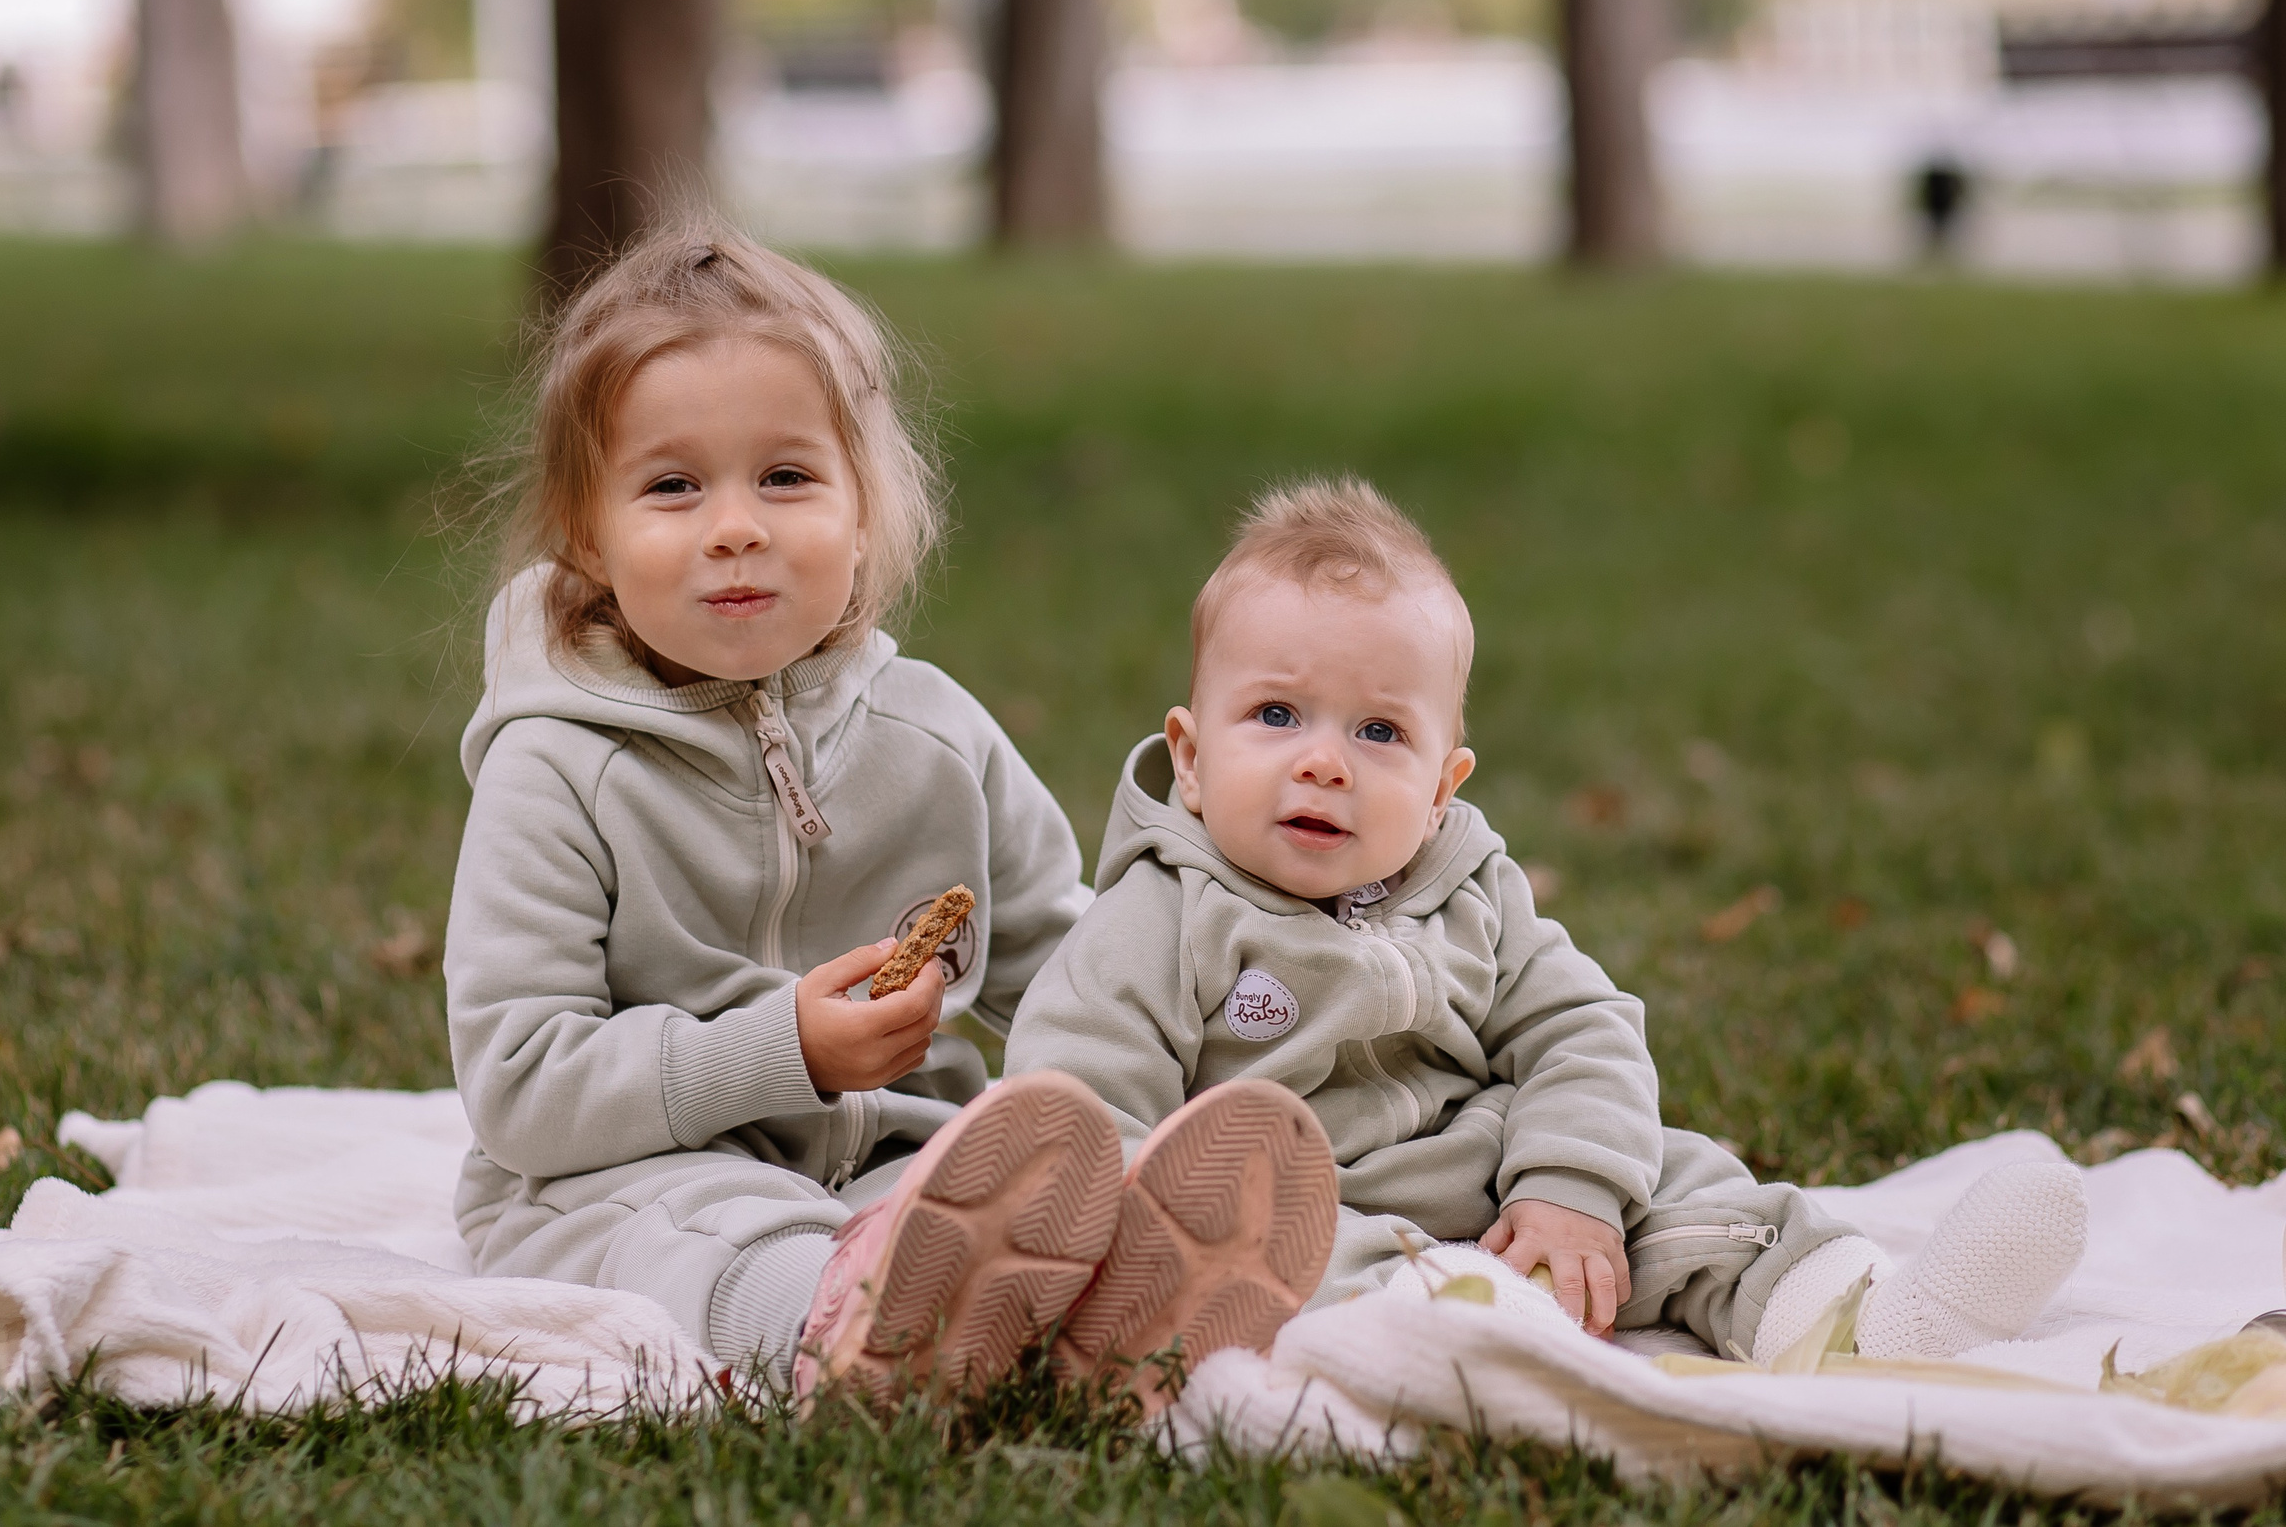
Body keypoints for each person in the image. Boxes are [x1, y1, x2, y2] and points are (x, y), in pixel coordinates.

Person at [442, 221, 1326, 1406]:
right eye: (672, 485)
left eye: (787, 476)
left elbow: (1072, 964)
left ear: (865, 510)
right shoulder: (554, 768)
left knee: (984, 1195)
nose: (736, 525)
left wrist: (1222, 1055)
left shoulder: (933, 735)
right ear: (585, 534)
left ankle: (1080, 1323)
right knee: (704, 1231)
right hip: (619, 1176)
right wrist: (780, 1051)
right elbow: (519, 1079)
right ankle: (839, 1332)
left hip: (901, 1164)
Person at [1005, 477, 2088, 1377]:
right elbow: (1080, 1106)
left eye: (1379, 730)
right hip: (1309, 1218)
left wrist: (1568, 1189)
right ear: (1189, 757)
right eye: (1276, 713)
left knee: (1678, 1178)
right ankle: (1442, 1329)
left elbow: (1585, 1028)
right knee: (1286, 1276)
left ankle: (1857, 1314)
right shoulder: (1158, 916)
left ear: (1441, 785)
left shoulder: (1471, 889)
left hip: (1499, 1181)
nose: (1323, 759)